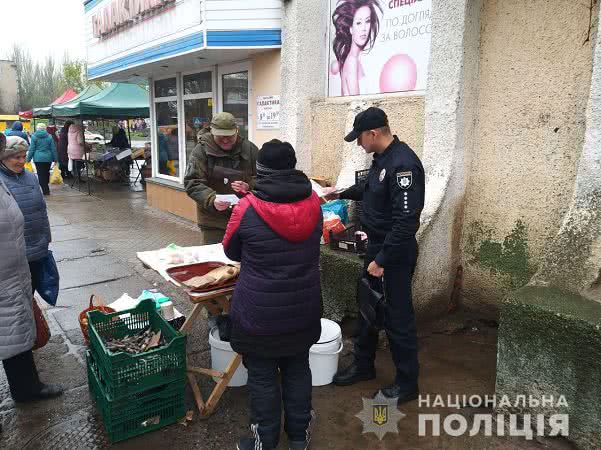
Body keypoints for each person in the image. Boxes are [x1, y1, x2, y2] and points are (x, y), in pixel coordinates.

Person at [223, 140, 322, 450]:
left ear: (260, 170)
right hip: (303, 308)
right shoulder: (315, 203)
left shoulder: (247, 207)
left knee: (263, 377)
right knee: (298, 369)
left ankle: (264, 442)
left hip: (258, 313)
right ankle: (298, 438)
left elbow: (230, 249)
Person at [328, 107, 424, 404]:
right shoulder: (382, 160)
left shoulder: (404, 164)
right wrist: (340, 193)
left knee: (398, 318)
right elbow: (370, 189)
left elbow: (407, 222)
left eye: (359, 138)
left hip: (393, 253)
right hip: (376, 247)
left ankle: (407, 383)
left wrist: (381, 261)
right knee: (368, 308)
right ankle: (364, 365)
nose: (359, 144)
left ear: (373, 133)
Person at [0, 134, 64, 405]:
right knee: (11, 331)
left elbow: (40, 210)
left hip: (21, 266)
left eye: (22, 155)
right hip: (9, 270)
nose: (19, 159)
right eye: (12, 155)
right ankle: (27, 389)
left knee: (19, 326)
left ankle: (27, 388)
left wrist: (45, 238)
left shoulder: (28, 179)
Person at [184, 112, 259, 244]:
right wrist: (212, 200)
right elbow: (192, 182)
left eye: (229, 136)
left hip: (245, 218)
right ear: (212, 132)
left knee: (242, 262)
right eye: (220, 136)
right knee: (214, 262)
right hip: (213, 222)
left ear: (236, 131)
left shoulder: (250, 149)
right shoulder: (200, 151)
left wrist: (249, 186)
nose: (225, 140)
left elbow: (263, 179)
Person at [331, 0, 382, 96]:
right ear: (350, 28)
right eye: (358, 23)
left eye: (367, 21)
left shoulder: (352, 59)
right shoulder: (352, 62)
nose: (364, 28)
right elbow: (356, 106)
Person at [27, 123, 58, 195]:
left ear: (37, 129)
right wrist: (55, 159)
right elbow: (53, 149)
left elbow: (32, 149)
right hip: (48, 158)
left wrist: (28, 159)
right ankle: (46, 187)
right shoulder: (49, 136)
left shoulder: (34, 137)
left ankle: (45, 189)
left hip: (38, 159)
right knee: (46, 173)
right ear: (45, 129)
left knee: (40, 174)